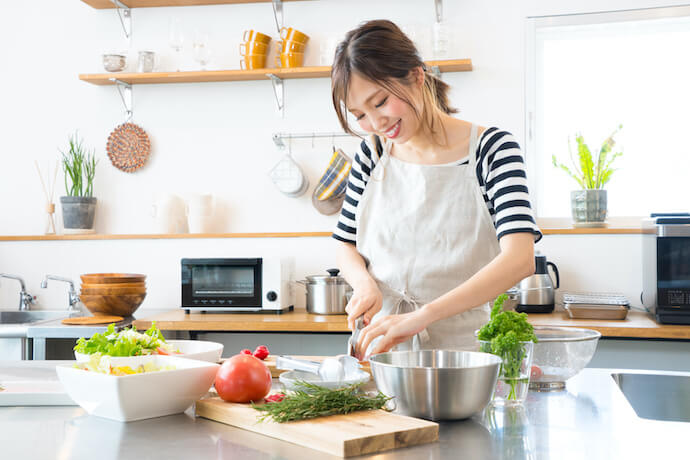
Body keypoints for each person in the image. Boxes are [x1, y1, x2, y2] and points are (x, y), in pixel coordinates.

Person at [330, 20, 542, 358]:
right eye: (360, 115)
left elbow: (519, 259)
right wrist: (364, 283)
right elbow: (345, 245)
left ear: (416, 76)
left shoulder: (492, 149)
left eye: (381, 101)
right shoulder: (372, 154)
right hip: (383, 348)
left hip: (471, 355)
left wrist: (421, 317)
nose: (376, 123)